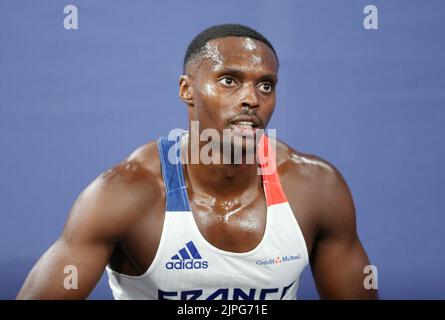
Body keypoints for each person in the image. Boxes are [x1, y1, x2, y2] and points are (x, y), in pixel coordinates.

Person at [17, 24, 378, 300]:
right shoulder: (125, 194)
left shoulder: (315, 187)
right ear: (187, 89)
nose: (251, 98)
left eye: (265, 85)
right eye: (229, 81)